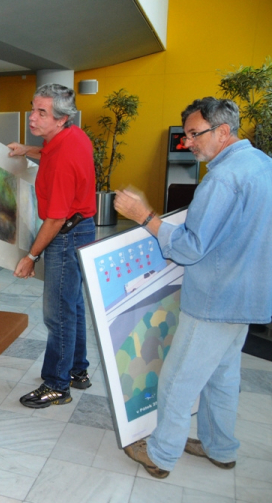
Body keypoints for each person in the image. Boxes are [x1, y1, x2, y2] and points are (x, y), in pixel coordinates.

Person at [115, 97, 272, 478]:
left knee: (178, 378)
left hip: (216, 298)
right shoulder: (262, 164)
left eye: (193, 134)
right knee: (223, 376)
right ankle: (221, 448)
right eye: (185, 135)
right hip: (249, 294)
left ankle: (161, 454)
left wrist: (144, 216)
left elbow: (188, 248)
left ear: (222, 131)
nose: (187, 143)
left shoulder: (221, 178)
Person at [8, 83, 97, 408]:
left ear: (61, 118)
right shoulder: (72, 137)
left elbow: (55, 219)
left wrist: (31, 256)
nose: (33, 118)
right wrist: (25, 150)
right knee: (72, 305)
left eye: (41, 113)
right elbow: (48, 152)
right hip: (82, 229)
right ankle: (77, 370)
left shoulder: (63, 158)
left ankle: (57, 385)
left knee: (57, 314)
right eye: (33, 108)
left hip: (67, 234)